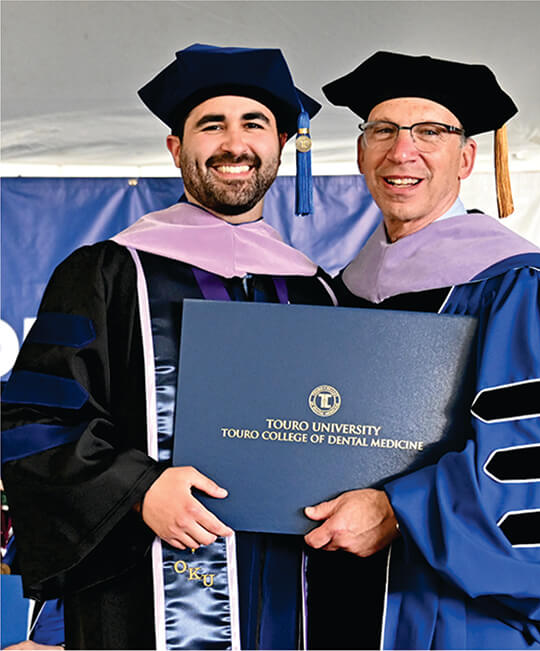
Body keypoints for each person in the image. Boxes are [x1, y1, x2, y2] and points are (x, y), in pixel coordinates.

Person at [1, 44, 332, 649]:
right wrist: (138, 488)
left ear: (282, 144)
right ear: (177, 149)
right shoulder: (107, 273)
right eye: (212, 125)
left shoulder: (319, 291)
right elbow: (32, 419)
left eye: (253, 123)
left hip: (292, 589)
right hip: (139, 596)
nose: (235, 144)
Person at [301, 51, 540, 650]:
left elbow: (538, 471)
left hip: (460, 618)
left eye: (430, 132)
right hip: (335, 601)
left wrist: (397, 512)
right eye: (382, 130)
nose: (401, 152)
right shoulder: (337, 293)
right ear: (361, 153)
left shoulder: (521, 288)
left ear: (466, 157)